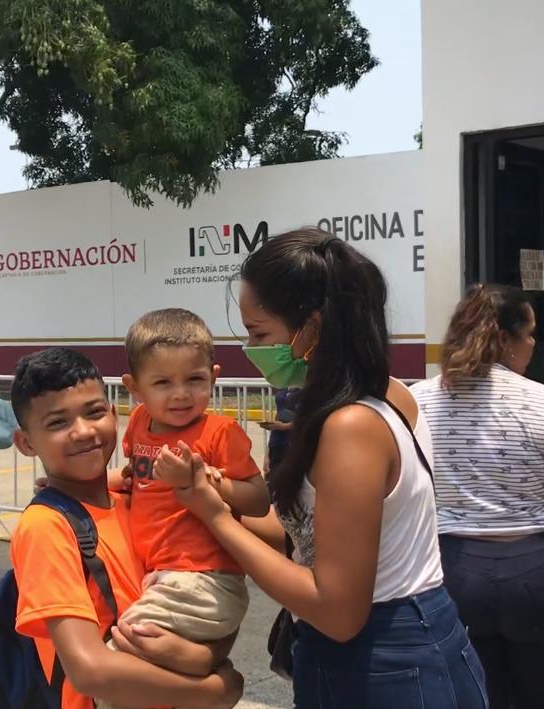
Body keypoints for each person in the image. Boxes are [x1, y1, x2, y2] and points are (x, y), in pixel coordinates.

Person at [174, 229, 488, 708]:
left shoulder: (350, 428)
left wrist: (215, 519)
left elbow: (338, 610)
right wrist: (213, 501)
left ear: (311, 329)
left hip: (382, 664)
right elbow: (313, 535)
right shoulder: (386, 392)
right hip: (402, 644)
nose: (251, 349)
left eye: (260, 333)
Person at [5, 347, 244, 709]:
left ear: (115, 416)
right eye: (57, 422)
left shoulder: (138, 505)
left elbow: (210, 592)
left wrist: (203, 657)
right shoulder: (46, 526)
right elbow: (89, 670)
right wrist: (212, 690)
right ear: (26, 442)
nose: (83, 431)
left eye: (95, 412)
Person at [412, 284, 544, 709]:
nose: (532, 344)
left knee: (471, 694)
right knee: (541, 695)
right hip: (540, 576)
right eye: (529, 334)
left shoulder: (417, 402)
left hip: (452, 574)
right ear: (505, 341)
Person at [106, 309, 269, 706]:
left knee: (113, 662)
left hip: (200, 578)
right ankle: (201, 663)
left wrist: (213, 480)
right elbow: (136, 477)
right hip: (158, 574)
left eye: (194, 380)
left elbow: (259, 499)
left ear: (213, 376)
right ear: (135, 388)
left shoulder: (219, 433)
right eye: (163, 382)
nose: (180, 394)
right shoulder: (141, 422)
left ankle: (201, 667)